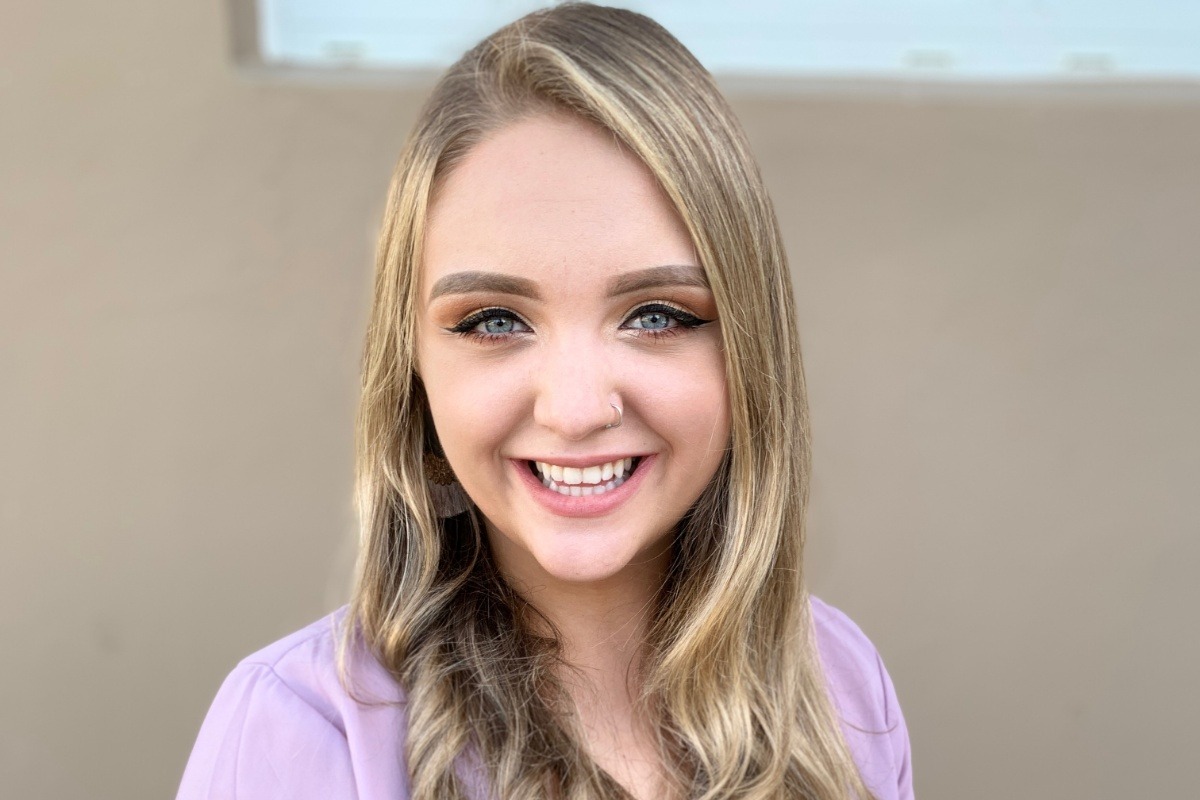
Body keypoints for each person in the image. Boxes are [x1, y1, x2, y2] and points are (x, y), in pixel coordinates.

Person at [176, 4, 913, 799]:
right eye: (495, 321)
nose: (574, 409)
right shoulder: (295, 731)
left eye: (656, 315)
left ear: (749, 349)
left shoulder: (841, 688)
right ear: (413, 372)